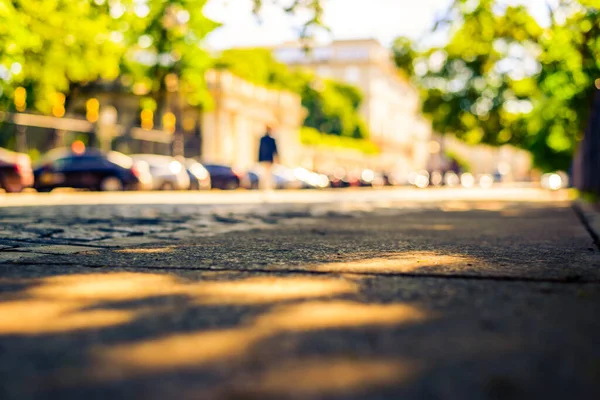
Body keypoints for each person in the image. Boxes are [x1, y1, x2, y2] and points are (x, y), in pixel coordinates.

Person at [258, 126, 279, 191]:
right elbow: (275, 150)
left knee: (266, 173)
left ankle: (266, 186)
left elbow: (260, 150)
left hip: (265, 158)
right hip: (268, 158)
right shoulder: (270, 139)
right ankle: (266, 186)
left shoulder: (263, 139)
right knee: (268, 173)